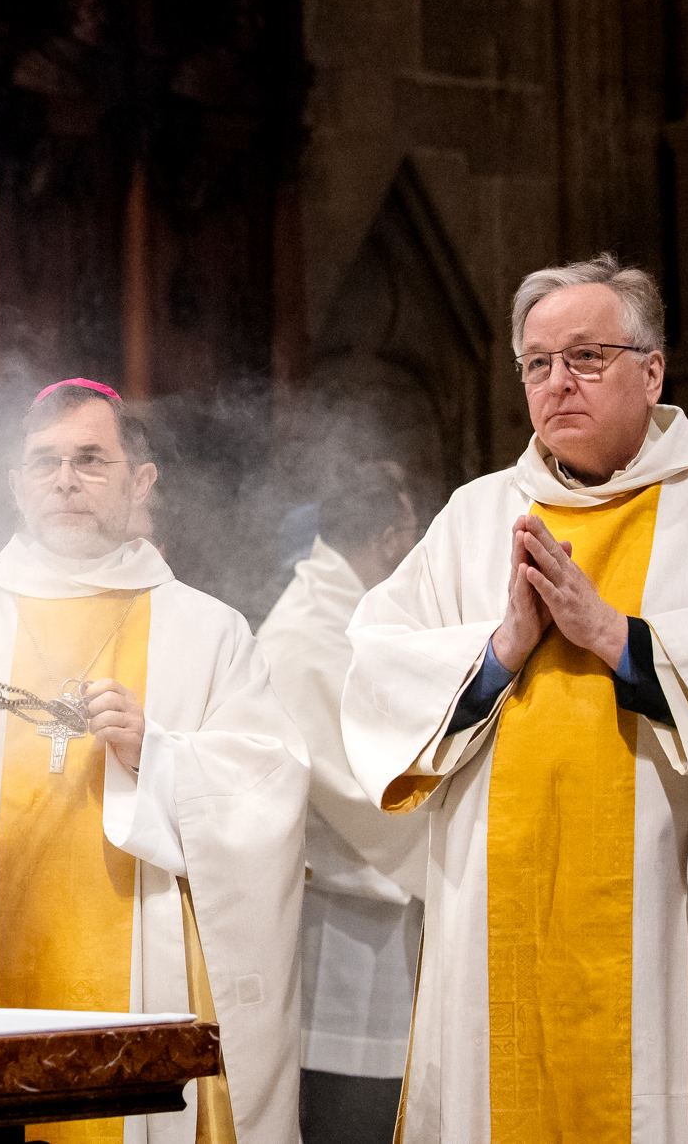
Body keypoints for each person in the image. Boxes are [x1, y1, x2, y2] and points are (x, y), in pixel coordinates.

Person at [343, 254, 688, 1142]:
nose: (557, 381)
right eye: (537, 362)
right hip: (504, 925)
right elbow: (378, 674)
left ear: (653, 370)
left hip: (676, 926)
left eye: (586, 356)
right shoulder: (475, 517)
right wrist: (502, 648)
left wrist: (616, 636)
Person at [0, 378, 308, 1144]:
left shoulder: (207, 630)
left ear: (140, 482)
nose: (66, 480)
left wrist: (157, 755)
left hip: (142, 977)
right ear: (18, 486)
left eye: (90, 459)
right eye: (45, 462)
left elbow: (269, 785)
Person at [254, 458, 424, 1144]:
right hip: (342, 936)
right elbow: (365, 796)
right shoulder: (303, 638)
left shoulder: (346, 615)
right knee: (347, 1118)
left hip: (380, 927)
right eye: (411, 534)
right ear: (388, 539)